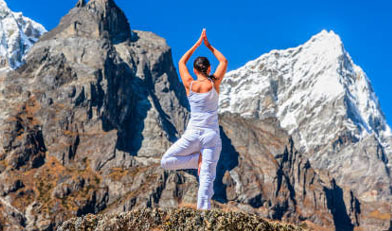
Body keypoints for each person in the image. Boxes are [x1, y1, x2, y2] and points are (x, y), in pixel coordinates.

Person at [160, 28, 228, 210]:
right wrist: (208, 45)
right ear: (209, 68)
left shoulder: (189, 84)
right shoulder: (214, 83)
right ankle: (202, 215)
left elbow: (181, 61)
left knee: (165, 161)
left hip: (192, 134)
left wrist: (197, 44)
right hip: (211, 136)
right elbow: (224, 60)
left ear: (194, 69)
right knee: (207, 176)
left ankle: (193, 160)